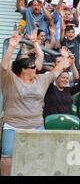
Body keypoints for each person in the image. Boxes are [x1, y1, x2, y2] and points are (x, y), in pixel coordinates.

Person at [1, 32, 69, 176]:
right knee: (7, 158)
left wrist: (63, 57)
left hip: (36, 125)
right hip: (13, 125)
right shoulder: (11, 80)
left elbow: (56, 71)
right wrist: (12, 46)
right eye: (32, 67)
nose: (35, 69)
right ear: (23, 70)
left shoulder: (40, 80)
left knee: (40, 157)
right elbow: (5, 67)